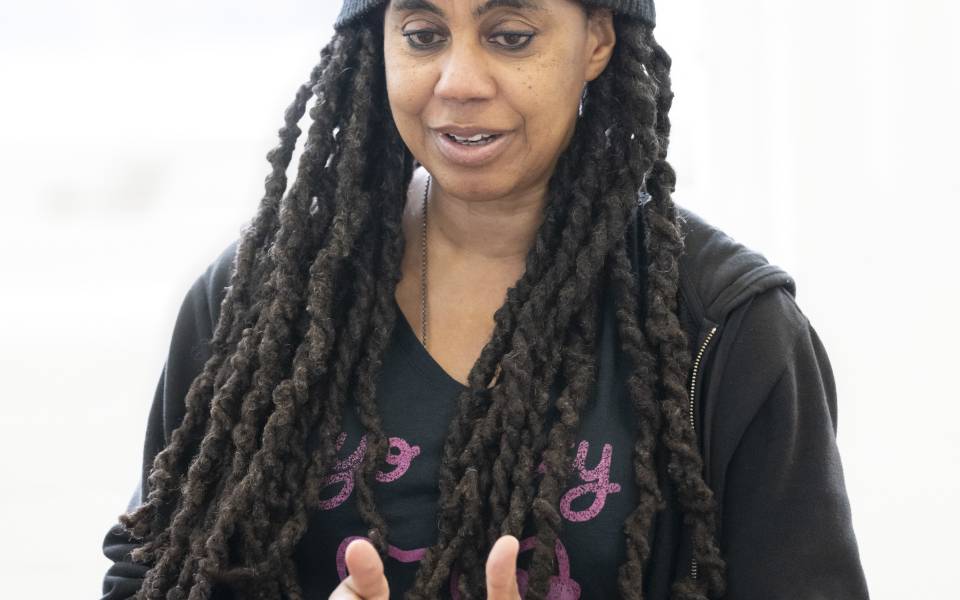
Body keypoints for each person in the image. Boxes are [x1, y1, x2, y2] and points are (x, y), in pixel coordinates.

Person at [100, 0, 870, 598]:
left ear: (597, 39)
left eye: (510, 34)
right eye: (424, 32)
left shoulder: (726, 331)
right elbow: (152, 573)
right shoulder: (261, 303)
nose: (458, 81)